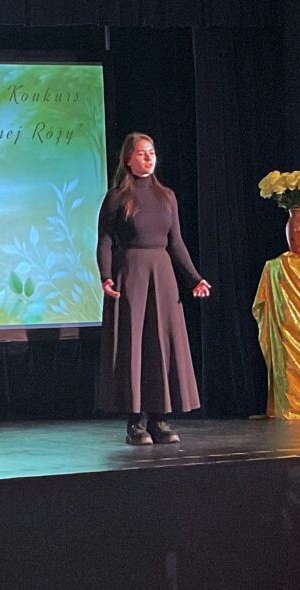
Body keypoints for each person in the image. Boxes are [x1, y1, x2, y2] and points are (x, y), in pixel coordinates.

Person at [96, 132, 211, 445]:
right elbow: (105, 241)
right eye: (142, 153)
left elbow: (177, 243)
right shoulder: (117, 197)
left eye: (152, 153)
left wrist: (194, 278)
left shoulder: (166, 196)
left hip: (162, 275)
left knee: (162, 344)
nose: (149, 158)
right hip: (131, 273)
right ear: (129, 158)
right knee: (135, 346)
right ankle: (136, 422)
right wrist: (105, 275)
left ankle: (160, 419)